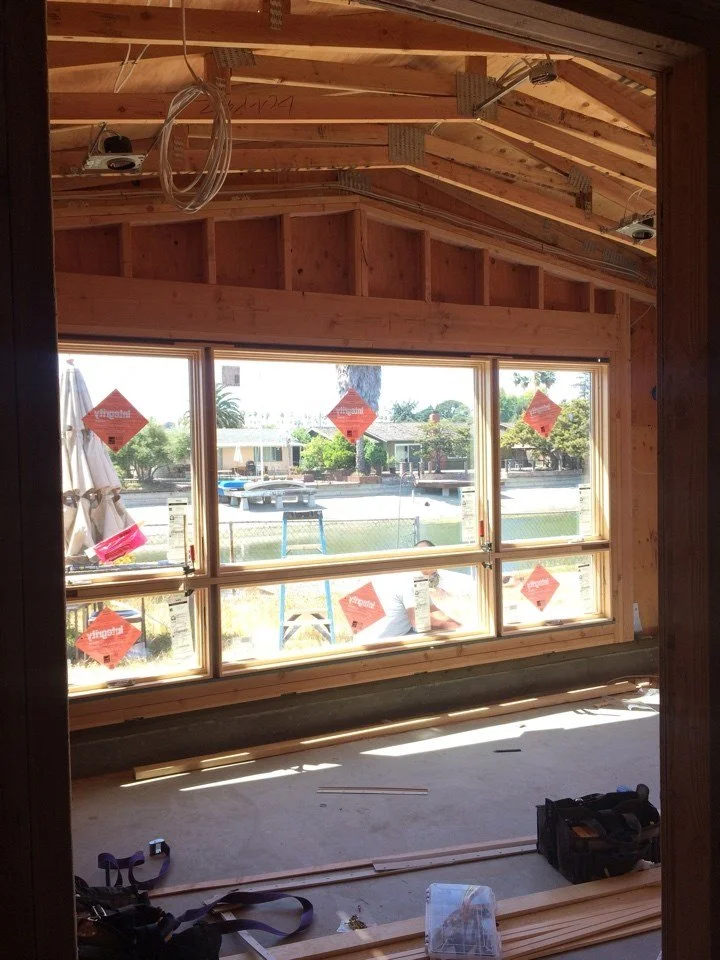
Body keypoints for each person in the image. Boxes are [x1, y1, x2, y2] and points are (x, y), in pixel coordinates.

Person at [362, 540, 463, 641]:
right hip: (383, 645)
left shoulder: (391, 573)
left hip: (362, 640)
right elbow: (422, 621)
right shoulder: (415, 580)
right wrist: (463, 629)